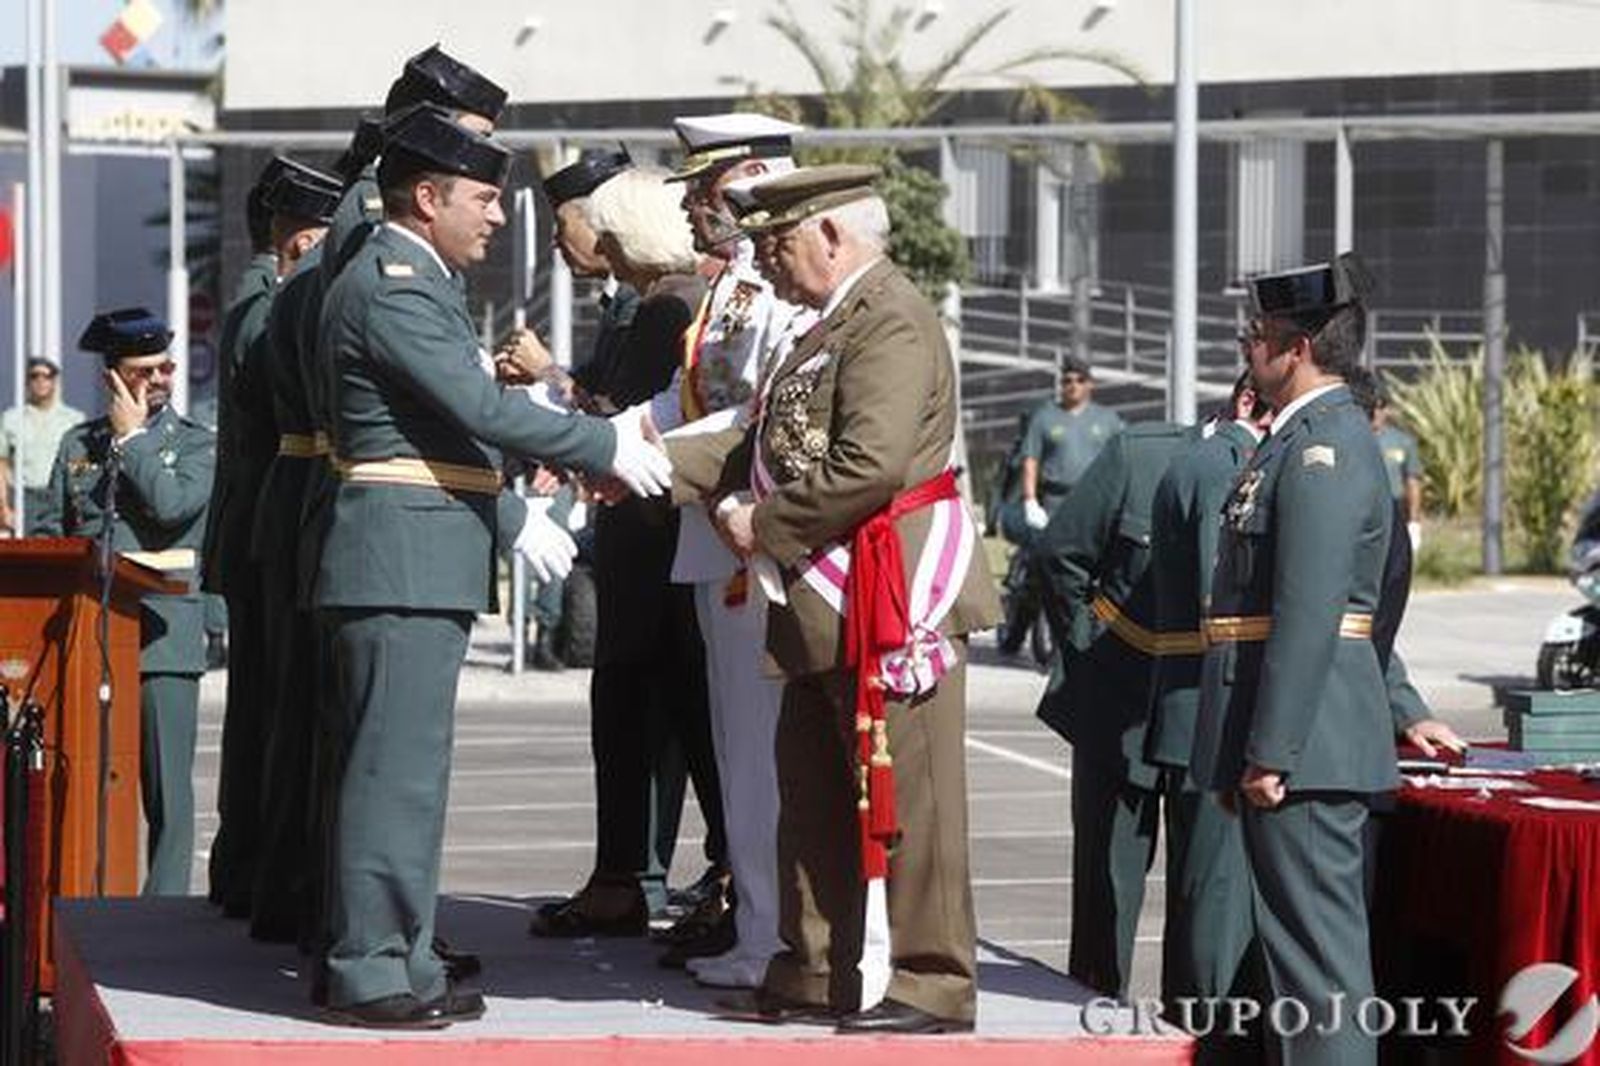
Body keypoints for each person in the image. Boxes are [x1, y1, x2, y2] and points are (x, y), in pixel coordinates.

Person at [312, 103, 669, 1029]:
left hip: (416, 549)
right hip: (400, 554)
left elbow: (451, 420)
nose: (499, 216)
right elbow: (476, 404)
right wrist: (604, 444)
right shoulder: (394, 281)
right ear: (426, 199)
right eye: (484, 197)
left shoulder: (409, 277)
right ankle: (369, 967)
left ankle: (392, 952)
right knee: (392, 773)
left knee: (404, 771)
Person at [667, 165, 1001, 1035]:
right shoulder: (822, 326)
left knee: (915, 803)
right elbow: (756, 438)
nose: (768, 265)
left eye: (778, 245)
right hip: (828, 596)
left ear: (830, 236)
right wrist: (640, 465)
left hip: (892, 595)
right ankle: (814, 966)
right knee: (810, 790)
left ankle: (933, 981)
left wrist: (762, 527)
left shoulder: (889, 318)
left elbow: (871, 463)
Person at [1190, 254, 1396, 1066]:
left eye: (1259, 335)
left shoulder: (1325, 447)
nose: (1249, 349)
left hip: (1306, 748)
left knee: (1320, 974)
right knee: (1299, 967)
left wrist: (1271, 751)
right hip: (1297, 743)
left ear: (1300, 346)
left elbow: (1310, 610)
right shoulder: (1297, 441)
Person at [524, 165, 727, 943]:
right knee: (641, 712)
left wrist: (551, 395)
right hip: (646, 544)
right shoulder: (660, 302)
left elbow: (629, 422)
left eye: (599, 227)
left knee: (672, 714)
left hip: (659, 546)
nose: (587, 242)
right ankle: (628, 876)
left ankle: (697, 877)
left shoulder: (668, 308)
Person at [661, 111, 813, 988]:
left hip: (752, 547)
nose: (690, 206)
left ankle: (773, 938)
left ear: (750, 177)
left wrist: (635, 460)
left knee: (763, 757)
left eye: (704, 188)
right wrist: (602, 435)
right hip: (714, 540)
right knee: (739, 753)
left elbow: (752, 421)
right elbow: (684, 403)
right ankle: (758, 928)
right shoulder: (732, 287)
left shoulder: (772, 294)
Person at [35, 308, 215, 895]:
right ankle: (86, 900)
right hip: (90, 638)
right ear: (112, 377)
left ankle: (163, 911)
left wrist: (132, 438)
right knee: (87, 777)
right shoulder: (76, 444)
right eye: (144, 371)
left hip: (164, 637)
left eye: (165, 367)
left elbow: (170, 508)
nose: (160, 378)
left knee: (166, 790)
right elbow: (51, 532)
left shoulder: (197, 446)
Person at [1029, 416, 1188, 999]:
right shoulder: (1140, 456)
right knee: (1107, 894)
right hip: (1122, 699)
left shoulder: (1281, 471)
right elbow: (1060, 555)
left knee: (1207, 906)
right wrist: (1090, 646)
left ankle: (1196, 1037)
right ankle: (1093, 1021)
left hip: (1212, 719)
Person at [1144, 373, 1273, 1062]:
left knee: (1202, 897)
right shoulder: (1226, 468)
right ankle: (1207, 1041)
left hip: (1192, 705)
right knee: (1217, 907)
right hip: (1213, 710)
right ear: (1249, 404)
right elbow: (1221, 604)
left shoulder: (1199, 460)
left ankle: (1187, 1025)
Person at [238, 160, 344, 945]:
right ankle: (290, 890)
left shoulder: (282, 299)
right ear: (308, 240)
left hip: (291, 505)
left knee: (295, 720)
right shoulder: (283, 303)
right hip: (298, 505)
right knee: (299, 720)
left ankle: (281, 887)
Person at [200, 154, 299, 917]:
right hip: (267, 527)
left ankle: (247, 869)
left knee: (261, 710)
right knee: (268, 712)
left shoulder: (255, 296)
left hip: (252, 526)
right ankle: (258, 874)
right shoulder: (266, 303)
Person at [1019, 355, 1123, 531]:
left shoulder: (1108, 419)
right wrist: (1030, 500)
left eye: (1080, 380)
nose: (1074, 386)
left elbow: (1121, 460)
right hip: (1055, 501)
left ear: (1090, 384)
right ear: (1061, 385)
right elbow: (1031, 459)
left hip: (1096, 500)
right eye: (1068, 381)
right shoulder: (1044, 417)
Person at [1, 358, 84, 536]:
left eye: (47, 376)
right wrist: (4, 508)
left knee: (62, 553)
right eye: (34, 376)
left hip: (61, 497)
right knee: (25, 555)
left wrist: (80, 502)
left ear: (55, 380)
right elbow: (2, 465)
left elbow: (80, 463)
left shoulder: (74, 420)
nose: (40, 381)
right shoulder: (11, 419)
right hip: (24, 499)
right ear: (27, 381)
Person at [1369, 376, 1424, 551]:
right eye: (1373, 407)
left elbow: (1412, 482)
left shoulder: (1402, 441)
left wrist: (1414, 521)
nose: (1377, 413)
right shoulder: (1356, 438)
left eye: (1381, 407)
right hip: (1367, 508)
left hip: (1395, 507)